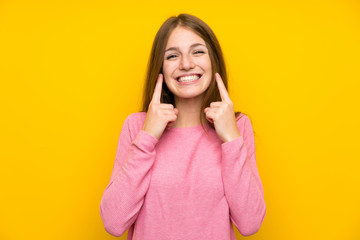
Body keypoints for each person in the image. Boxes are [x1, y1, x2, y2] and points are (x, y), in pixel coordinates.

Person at [100, 13, 266, 239]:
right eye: (172, 56)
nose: (186, 64)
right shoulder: (137, 126)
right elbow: (113, 223)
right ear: (160, 68)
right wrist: (147, 137)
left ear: (213, 60)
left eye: (198, 51)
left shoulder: (237, 126)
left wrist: (231, 140)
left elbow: (250, 224)